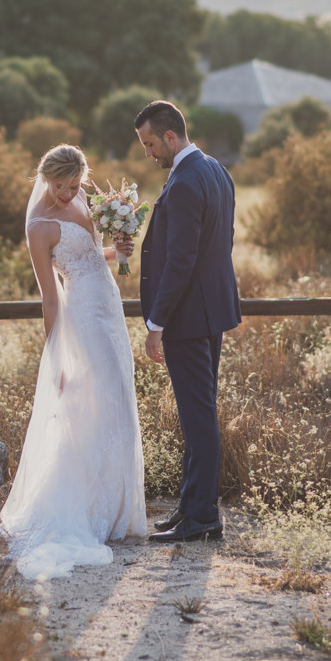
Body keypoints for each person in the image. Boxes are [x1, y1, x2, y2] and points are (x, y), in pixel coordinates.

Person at [0, 144, 147, 579]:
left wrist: (119, 251)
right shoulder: (39, 226)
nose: (67, 194)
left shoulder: (84, 197)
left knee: (117, 397)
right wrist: (58, 353)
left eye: (74, 185)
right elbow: (50, 297)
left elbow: (91, 257)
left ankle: (119, 513)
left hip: (109, 307)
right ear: (46, 179)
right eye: (59, 186)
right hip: (80, 318)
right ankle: (83, 510)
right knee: (87, 405)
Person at [133, 101, 241, 543]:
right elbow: (225, 241)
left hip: (187, 318)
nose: (148, 153)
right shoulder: (216, 170)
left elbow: (180, 261)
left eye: (151, 143)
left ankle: (202, 519)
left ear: (171, 137)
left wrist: (156, 321)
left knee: (198, 417)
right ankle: (190, 505)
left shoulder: (181, 184)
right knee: (199, 412)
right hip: (211, 310)